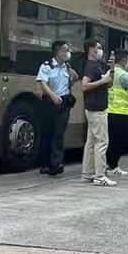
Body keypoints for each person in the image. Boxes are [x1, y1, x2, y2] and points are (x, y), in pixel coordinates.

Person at [36, 40, 79, 175]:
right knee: (48, 132)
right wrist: (52, 95)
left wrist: (73, 79)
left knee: (59, 133)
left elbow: (74, 78)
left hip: (64, 102)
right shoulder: (47, 66)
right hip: (49, 102)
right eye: (65, 50)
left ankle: (57, 163)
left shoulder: (67, 67)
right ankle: (45, 164)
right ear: (58, 52)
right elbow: (43, 83)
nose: (68, 53)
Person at [80, 39, 116, 186]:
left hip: (94, 108)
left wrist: (111, 71)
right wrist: (102, 81)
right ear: (91, 49)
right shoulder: (91, 66)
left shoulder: (97, 66)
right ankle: (100, 176)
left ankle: (87, 173)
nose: (100, 50)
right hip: (97, 109)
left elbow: (108, 84)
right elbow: (84, 86)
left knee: (91, 142)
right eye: (98, 47)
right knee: (102, 142)